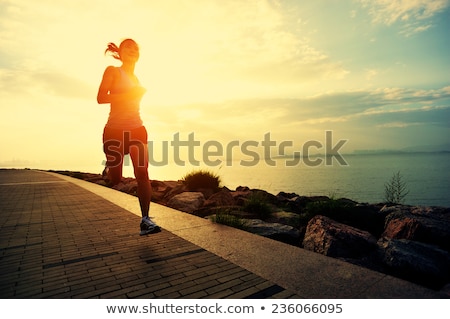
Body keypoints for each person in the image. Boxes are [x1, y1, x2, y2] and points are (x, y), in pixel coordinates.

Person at [97, 38, 160, 235]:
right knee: (116, 179)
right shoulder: (113, 71)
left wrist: (135, 92)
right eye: (127, 47)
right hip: (115, 131)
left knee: (142, 173)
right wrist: (130, 94)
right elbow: (101, 98)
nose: (132, 50)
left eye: (135, 48)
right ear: (121, 53)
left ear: (138, 54)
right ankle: (109, 167)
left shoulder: (137, 79)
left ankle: (145, 219)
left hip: (136, 129)